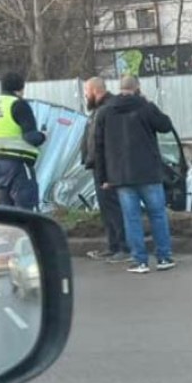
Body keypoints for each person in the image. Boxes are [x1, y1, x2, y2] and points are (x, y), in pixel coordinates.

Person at [93, 75, 175, 274]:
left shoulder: (105, 112)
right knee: (157, 215)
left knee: (131, 219)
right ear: (137, 87)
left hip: (120, 176)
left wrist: (104, 177)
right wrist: (150, 103)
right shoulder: (145, 107)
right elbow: (165, 125)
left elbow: (99, 146)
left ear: (120, 88)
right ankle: (164, 258)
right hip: (148, 173)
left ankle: (140, 262)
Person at [80, 77, 129, 263]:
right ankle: (113, 246)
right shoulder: (99, 109)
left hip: (109, 168)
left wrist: (107, 171)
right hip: (99, 167)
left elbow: (110, 142)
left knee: (114, 208)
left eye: (86, 91)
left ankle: (123, 247)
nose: (85, 95)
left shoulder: (109, 108)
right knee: (107, 209)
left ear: (94, 90)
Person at [0, 72, 46, 211]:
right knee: (25, 208)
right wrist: (43, 136)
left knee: (6, 210)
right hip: (18, 163)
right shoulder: (18, 104)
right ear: (21, 88)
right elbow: (31, 137)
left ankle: (7, 233)